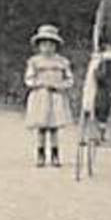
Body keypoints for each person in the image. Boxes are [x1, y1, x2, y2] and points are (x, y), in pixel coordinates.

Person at [24, 24, 75, 167]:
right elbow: (29, 79)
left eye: (51, 44)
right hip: (41, 96)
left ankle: (55, 154)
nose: (47, 47)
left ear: (56, 46)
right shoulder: (34, 62)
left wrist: (59, 86)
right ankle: (40, 154)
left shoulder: (62, 62)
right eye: (44, 44)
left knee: (54, 127)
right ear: (39, 46)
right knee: (41, 126)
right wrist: (39, 84)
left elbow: (69, 80)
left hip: (55, 96)